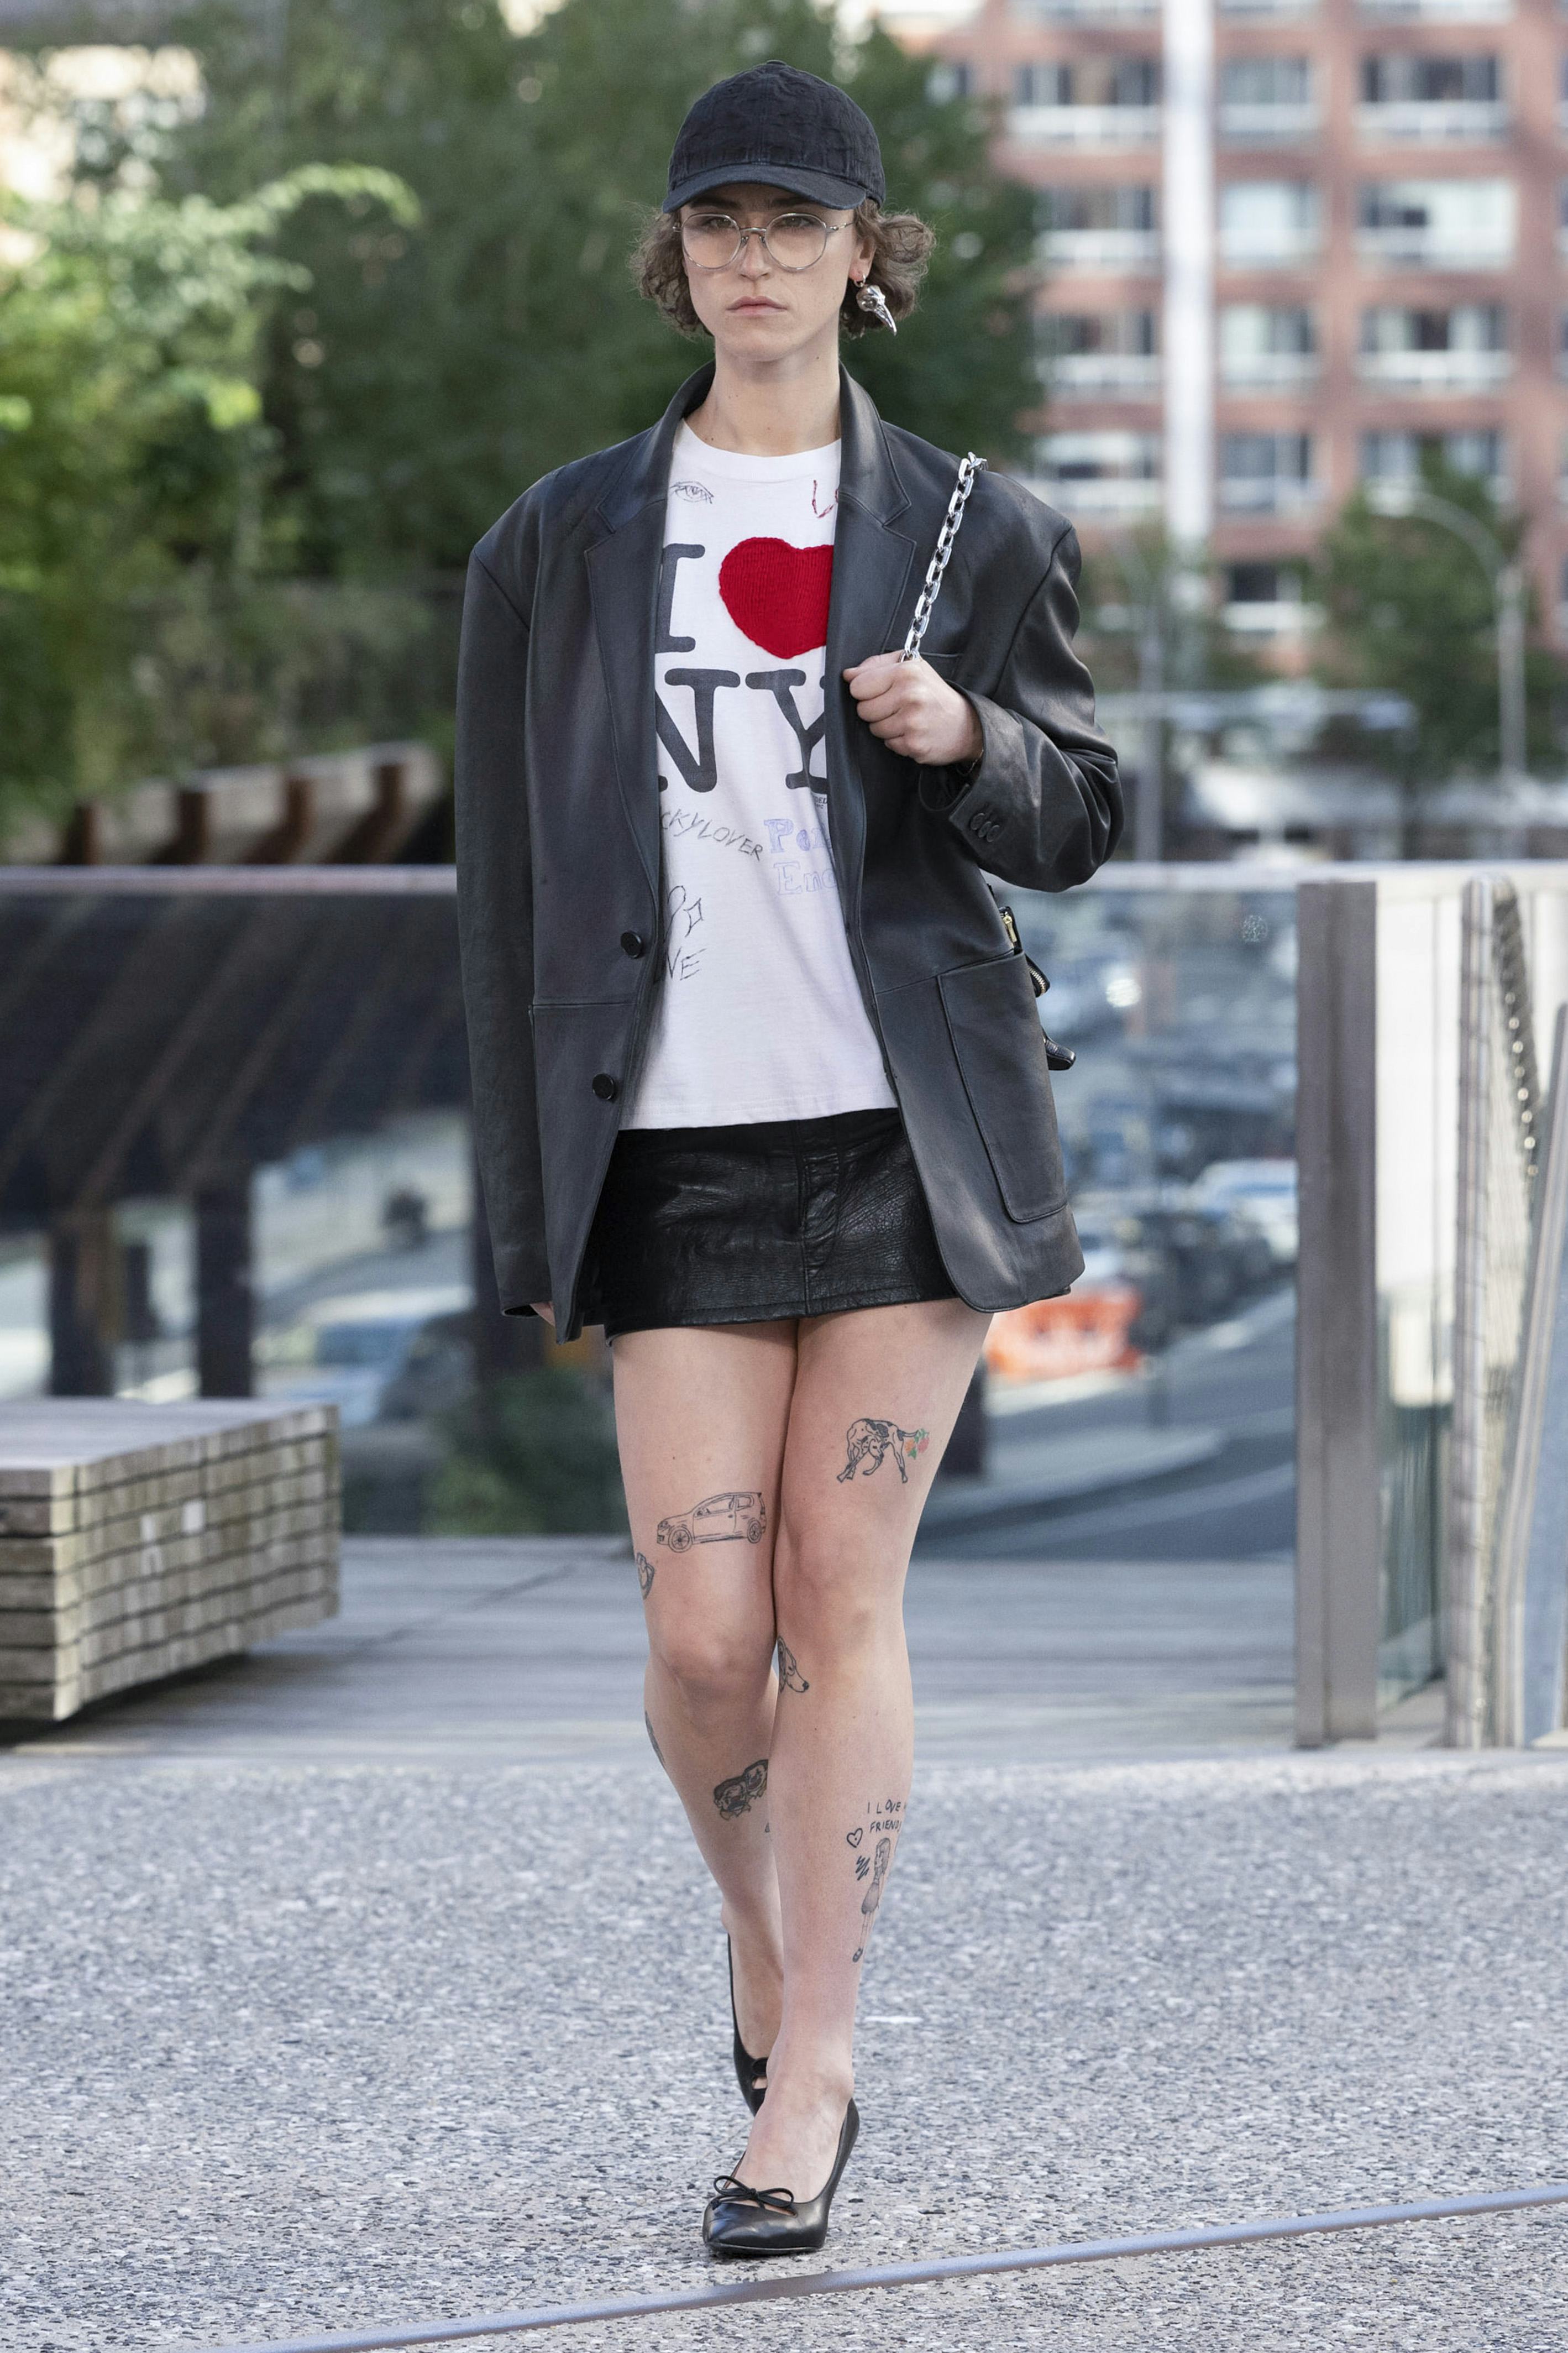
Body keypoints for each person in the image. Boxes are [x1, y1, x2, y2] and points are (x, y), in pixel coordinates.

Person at [454, 58, 1120, 2258]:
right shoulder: (555, 545)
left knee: (839, 1602)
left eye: (791, 220)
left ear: (863, 252)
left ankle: (807, 2066)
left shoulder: (965, 525)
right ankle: (761, 1938)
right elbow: (507, 907)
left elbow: (1090, 813)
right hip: (666, 1149)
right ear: (679, 263)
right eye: (714, 224)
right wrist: (515, 1207)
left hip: (895, 1141)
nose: (751, 255)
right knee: (699, 1632)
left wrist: (972, 735)